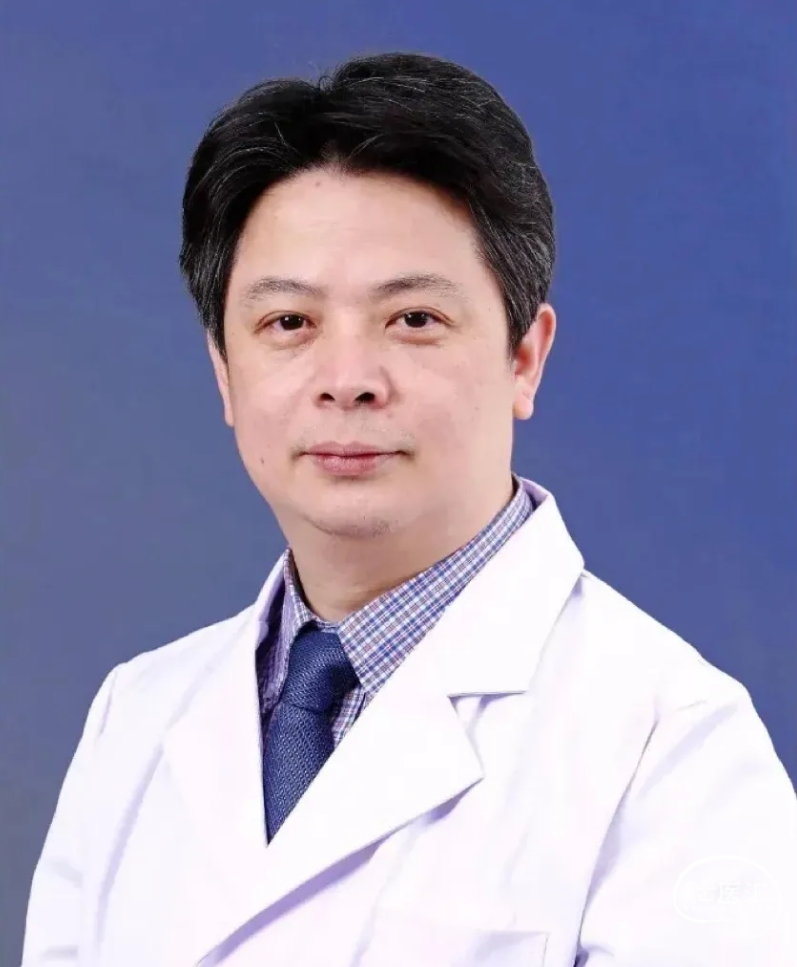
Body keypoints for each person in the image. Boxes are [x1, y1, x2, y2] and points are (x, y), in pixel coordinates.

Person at [22, 50, 796, 967]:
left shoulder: (670, 746)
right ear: (224, 371)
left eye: (413, 319)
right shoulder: (137, 714)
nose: (347, 379)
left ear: (524, 357)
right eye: (288, 323)